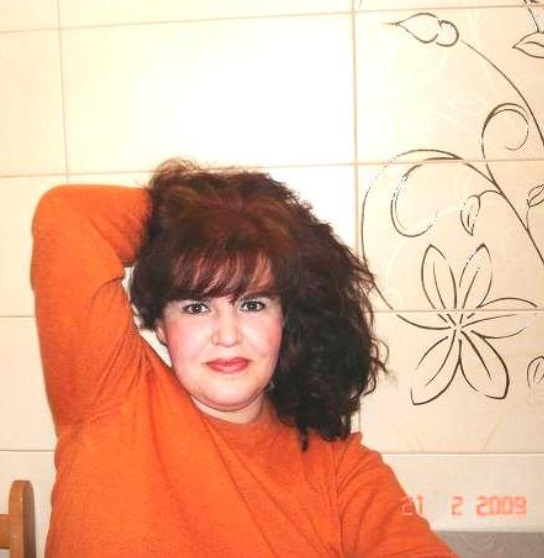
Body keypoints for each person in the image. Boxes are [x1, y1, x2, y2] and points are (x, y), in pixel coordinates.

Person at [32, 158, 456, 557]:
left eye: (252, 304)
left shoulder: (340, 470)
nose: (228, 335)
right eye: (197, 307)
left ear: (286, 318)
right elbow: (68, 217)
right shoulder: (111, 394)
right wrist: (187, 216)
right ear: (160, 324)